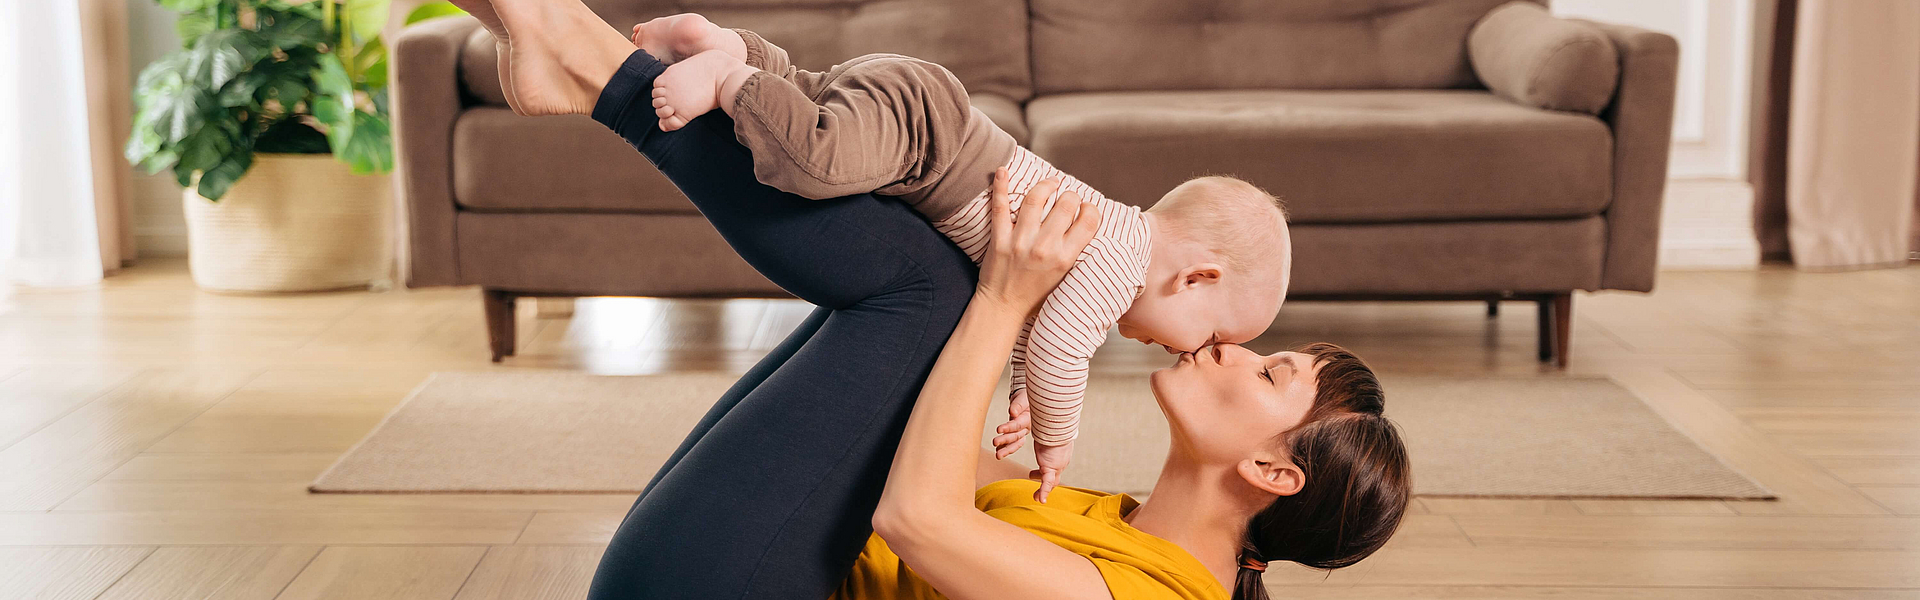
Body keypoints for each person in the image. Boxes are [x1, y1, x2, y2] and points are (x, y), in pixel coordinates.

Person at [438, 0, 1410, 598]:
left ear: (1274, 472)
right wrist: (1012, 309)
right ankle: (561, 41)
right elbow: (947, 444)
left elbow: (917, 520)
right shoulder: (1111, 521)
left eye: (1271, 368)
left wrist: (1006, 300)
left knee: (936, 290)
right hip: (744, 564)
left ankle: (594, 67)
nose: (1233, 350)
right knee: (938, 279)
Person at [630, 15, 1293, 499]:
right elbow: (1063, 351)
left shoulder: (1111, 244)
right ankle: (731, 75)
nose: (1191, 353)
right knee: (810, 161)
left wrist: (1027, 396)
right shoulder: (1122, 266)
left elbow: (1033, 322)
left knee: (815, 107)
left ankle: (735, 48)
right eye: (1206, 337)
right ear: (1197, 276)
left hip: (922, 115)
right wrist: (1056, 439)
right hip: (928, 136)